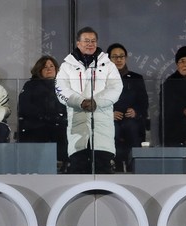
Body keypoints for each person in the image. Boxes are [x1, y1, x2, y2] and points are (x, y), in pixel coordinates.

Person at [55, 26, 123, 174]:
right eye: (86, 41)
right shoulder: (67, 66)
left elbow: (116, 88)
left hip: (102, 128)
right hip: (77, 128)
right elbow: (61, 90)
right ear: (78, 43)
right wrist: (81, 102)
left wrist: (96, 102)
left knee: (103, 172)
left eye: (93, 41)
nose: (90, 44)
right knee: (78, 172)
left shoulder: (108, 65)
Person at [18, 55, 68, 169]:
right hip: (36, 123)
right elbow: (24, 107)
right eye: (45, 67)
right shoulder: (30, 85)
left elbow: (68, 105)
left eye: (52, 66)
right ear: (39, 70)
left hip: (58, 123)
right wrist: (44, 116)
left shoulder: (64, 86)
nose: (49, 69)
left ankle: (65, 163)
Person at [106, 42, 149, 171]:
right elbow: (98, 102)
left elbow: (144, 102)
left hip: (131, 119)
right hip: (110, 118)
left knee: (132, 127)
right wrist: (109, 113)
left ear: (126, 58)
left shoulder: (136, 78)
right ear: (109, 59)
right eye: (115, 57)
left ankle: (134, 167)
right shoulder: (102, 79)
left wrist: (136, 112)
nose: (119, 59)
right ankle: (114, 165)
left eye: (121, 56)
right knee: (112, 129)